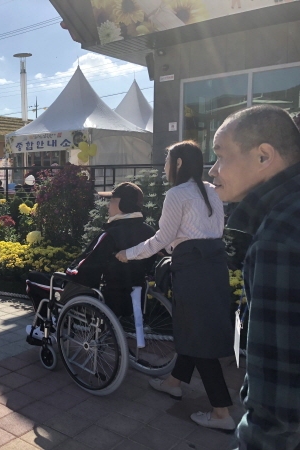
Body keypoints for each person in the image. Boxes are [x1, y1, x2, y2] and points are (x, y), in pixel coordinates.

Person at [116, 141, 234, 431]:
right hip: (215, 267)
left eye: (168, 160)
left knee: (200, 337)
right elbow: (213, 232)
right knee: (195, 329)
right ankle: (173, 382)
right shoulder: (212, 190)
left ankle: (222, 413)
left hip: (192, 270)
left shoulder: (177, 194)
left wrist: (129, 253)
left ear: (179, 163)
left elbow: (163, 238)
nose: (165, 166)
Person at [209, 105, 300, 449]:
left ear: (264, 156)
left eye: (220, 155)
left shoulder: (280, 236)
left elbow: (277, 411)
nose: (213, 170)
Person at [25, 182, 156, 337]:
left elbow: (83, 270)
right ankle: (60, 321)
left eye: (111, 201)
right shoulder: (150, 233)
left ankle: (44, 329)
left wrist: (69, 271)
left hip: (96, 295)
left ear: (123, 204)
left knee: (32, 279)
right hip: (130, 295)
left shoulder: (111, 235)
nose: (108, 205)